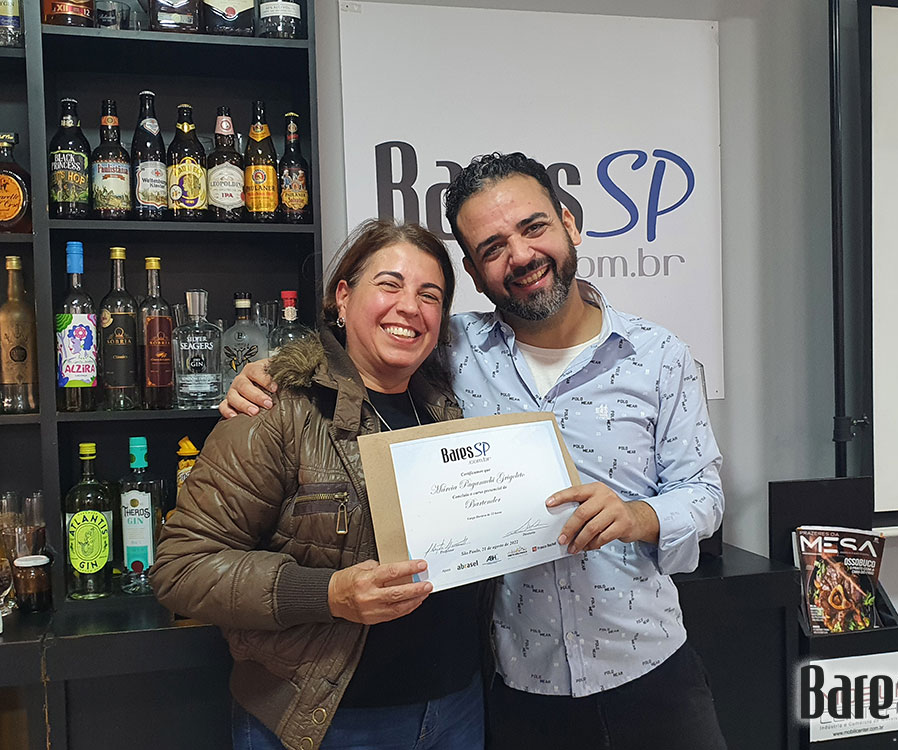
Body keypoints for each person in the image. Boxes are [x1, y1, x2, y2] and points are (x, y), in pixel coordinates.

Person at [223, 153, 727, 749]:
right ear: (473, 270)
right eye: (492, 248)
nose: (520, 256)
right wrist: (278, 371)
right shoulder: (449, 347)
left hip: (651, 668)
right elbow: (361, 343)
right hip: (519, 688)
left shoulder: (658, 355)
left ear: (569, 224)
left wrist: (640, 515)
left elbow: (704, 492)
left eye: (534, 227)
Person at [150, 219, 488, 750]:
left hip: (457, 708)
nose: (410, 307)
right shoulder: (274, 407)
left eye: (430, 295)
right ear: (343, 297)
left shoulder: (446, 407)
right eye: (390, 284)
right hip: (327, 724)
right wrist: (327, 594)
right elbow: (181, 568)